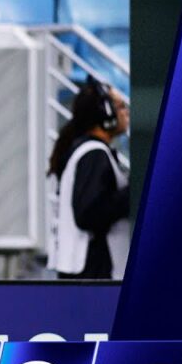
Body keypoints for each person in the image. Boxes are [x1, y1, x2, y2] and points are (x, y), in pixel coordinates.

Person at [47, 77, 131, 280]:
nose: (126, 112)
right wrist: (132, 194)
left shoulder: (88, 150)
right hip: (92, 270)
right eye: (121, 106)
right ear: (107, 113)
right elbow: (88, 213)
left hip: (86, 269)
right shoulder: (93, 154)